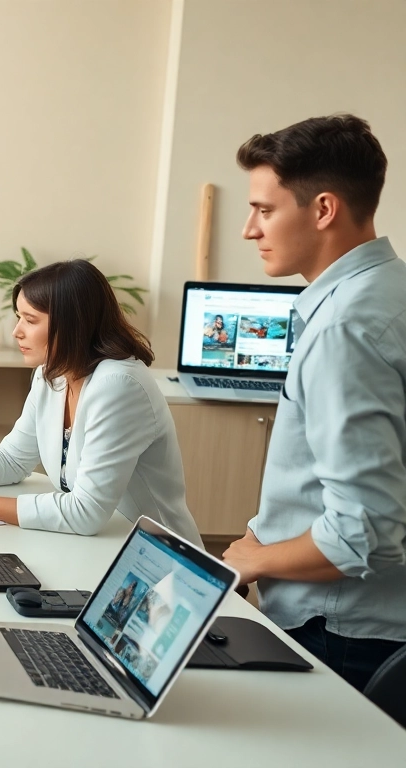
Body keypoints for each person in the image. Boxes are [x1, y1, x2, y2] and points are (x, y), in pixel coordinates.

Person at [219, 115, 406, 691]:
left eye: (264, 210)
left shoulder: (343, 330)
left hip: (340, 626)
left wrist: (252, 560)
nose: (250, 229)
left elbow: (364, 530)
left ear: (323, 209)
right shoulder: (390, 292)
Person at [0, 260, 202, 543]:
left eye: (30, 320)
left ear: (72, 325)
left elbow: (87, 512)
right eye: (19, 318)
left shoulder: (119, 386)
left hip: (156, 555)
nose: (16, 331)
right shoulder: (52, 374)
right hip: (101, 543)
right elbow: (13, 459)